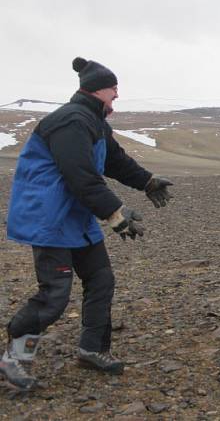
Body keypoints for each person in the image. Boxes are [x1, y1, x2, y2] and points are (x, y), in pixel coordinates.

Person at [1, 57, 173, 392]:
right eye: (114, 89)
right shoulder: (69, 122)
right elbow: (80, 176)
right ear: (98, 90)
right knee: (54, 295)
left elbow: (115, 161)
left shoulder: (93, 122)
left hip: (76, 217)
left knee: (101, 279)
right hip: (50, 219)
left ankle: (92, 349)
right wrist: (116, 214)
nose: (117, 96)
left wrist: (147, 182)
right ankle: (14, 357)